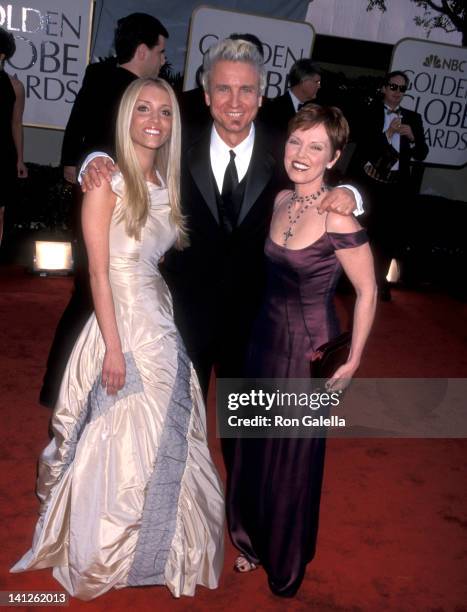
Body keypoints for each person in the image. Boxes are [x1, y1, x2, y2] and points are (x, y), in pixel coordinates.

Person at [11, 78, 224, 600]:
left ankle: (152, 550)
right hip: (120, 319)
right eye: (144, 109)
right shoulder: (105, 179)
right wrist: (112, 345)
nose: (155, 120)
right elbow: (99, 273)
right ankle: (105, 548)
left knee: (164, 433)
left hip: (159, 315)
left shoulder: (167, 180)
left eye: (166, 112)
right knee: (117, 432)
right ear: (127, 115)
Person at [81, 39, 363, 400]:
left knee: (243, 430)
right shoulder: (178, 143)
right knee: (175, 421)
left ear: (261, 97)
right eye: (223, 89)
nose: (234, 102)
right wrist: (94, 161)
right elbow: (128, 140)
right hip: (181, 314)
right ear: (207, 96)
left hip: (255, 319)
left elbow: (322, 173)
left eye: (246, 90)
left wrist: (351, 196)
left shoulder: (284, 149)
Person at [227, 104, 377, 596]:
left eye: (316, 147)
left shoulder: (339, 215)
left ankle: (286, 564)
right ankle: (250, 541)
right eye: (296, 142)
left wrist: (353, 359)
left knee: (292, 460)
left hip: (307, 353)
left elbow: (368, 289)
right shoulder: (278, 202)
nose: (302, 154)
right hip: (262, 344)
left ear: (334, 157)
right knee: (254, 450)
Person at [40, 13, 169, 408]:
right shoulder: (133, 90)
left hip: (98, 187)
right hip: (105, 192)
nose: (163, 60)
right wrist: (94, 162)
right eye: (161, 52)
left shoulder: (99, 77)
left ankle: (60, 383)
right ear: (143, 50)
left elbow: (78, 126)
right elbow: (101, 137)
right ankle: (74, 383)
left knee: (88, 291)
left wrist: (77, 160)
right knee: (94, 288)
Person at [350, 70, 428, 301]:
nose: (397, 93)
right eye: (393, 87)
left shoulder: (413, 118)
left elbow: (422, 153)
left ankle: (380, 283)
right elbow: (362, 144)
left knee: (388, 236)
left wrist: (414, 138)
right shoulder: (370, 112)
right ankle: (352, 281)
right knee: (361, 233)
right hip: (368, 183)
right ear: (384, 88)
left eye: (402, 89)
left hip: (395, 187)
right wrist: (388, 133)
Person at [0, 27, 28, 246]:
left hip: (2, 153)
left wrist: (19, 159)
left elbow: (16, 123)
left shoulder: (15, 86)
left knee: (0, 210)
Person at [259, 59, 322, 133]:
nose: (319, 86)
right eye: (317, 82)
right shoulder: (273, 109)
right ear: (304, 82)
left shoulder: (313, 111)